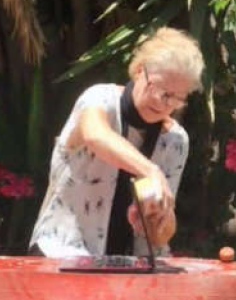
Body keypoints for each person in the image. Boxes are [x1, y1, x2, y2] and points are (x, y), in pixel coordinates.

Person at [30, 27, 205, 258]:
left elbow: (161, 236)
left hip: (133, 267)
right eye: (161, 90)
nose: (164, 103)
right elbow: (96, 135)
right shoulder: (99, 99)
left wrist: (156, 217)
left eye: (177, 98)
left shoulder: (175, 140)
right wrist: (150, 170)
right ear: (140, 71)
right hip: (63, 255)